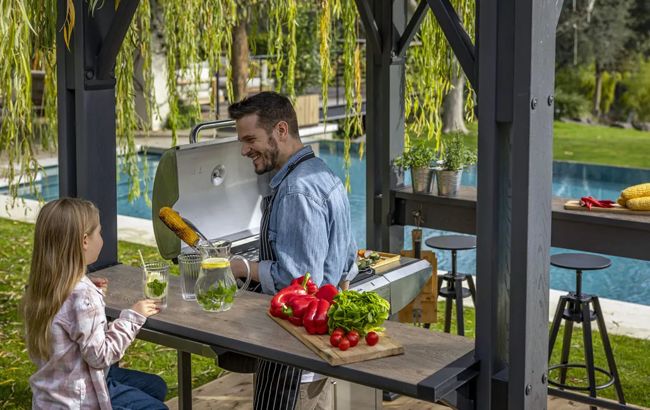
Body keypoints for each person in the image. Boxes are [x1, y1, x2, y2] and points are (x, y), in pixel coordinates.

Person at [228, 92, 358, 410]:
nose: (244, 150)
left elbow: (297, 282)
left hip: (291, 353)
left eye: (250, 139)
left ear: (281, 130)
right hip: (317, 348)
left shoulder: (296, 190)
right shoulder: (323, 174)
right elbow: (347, 261)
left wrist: (239, 266)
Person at [22, 198, 168, 409]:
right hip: (80, 399)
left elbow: (71, 317)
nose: (101, 238)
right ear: (84, 240)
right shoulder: (83, 296)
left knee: (155, 387)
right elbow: (100, 356)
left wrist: (92, 291)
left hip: (53, 393)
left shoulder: (41, 287)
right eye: (99, 232)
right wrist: (133, 316)